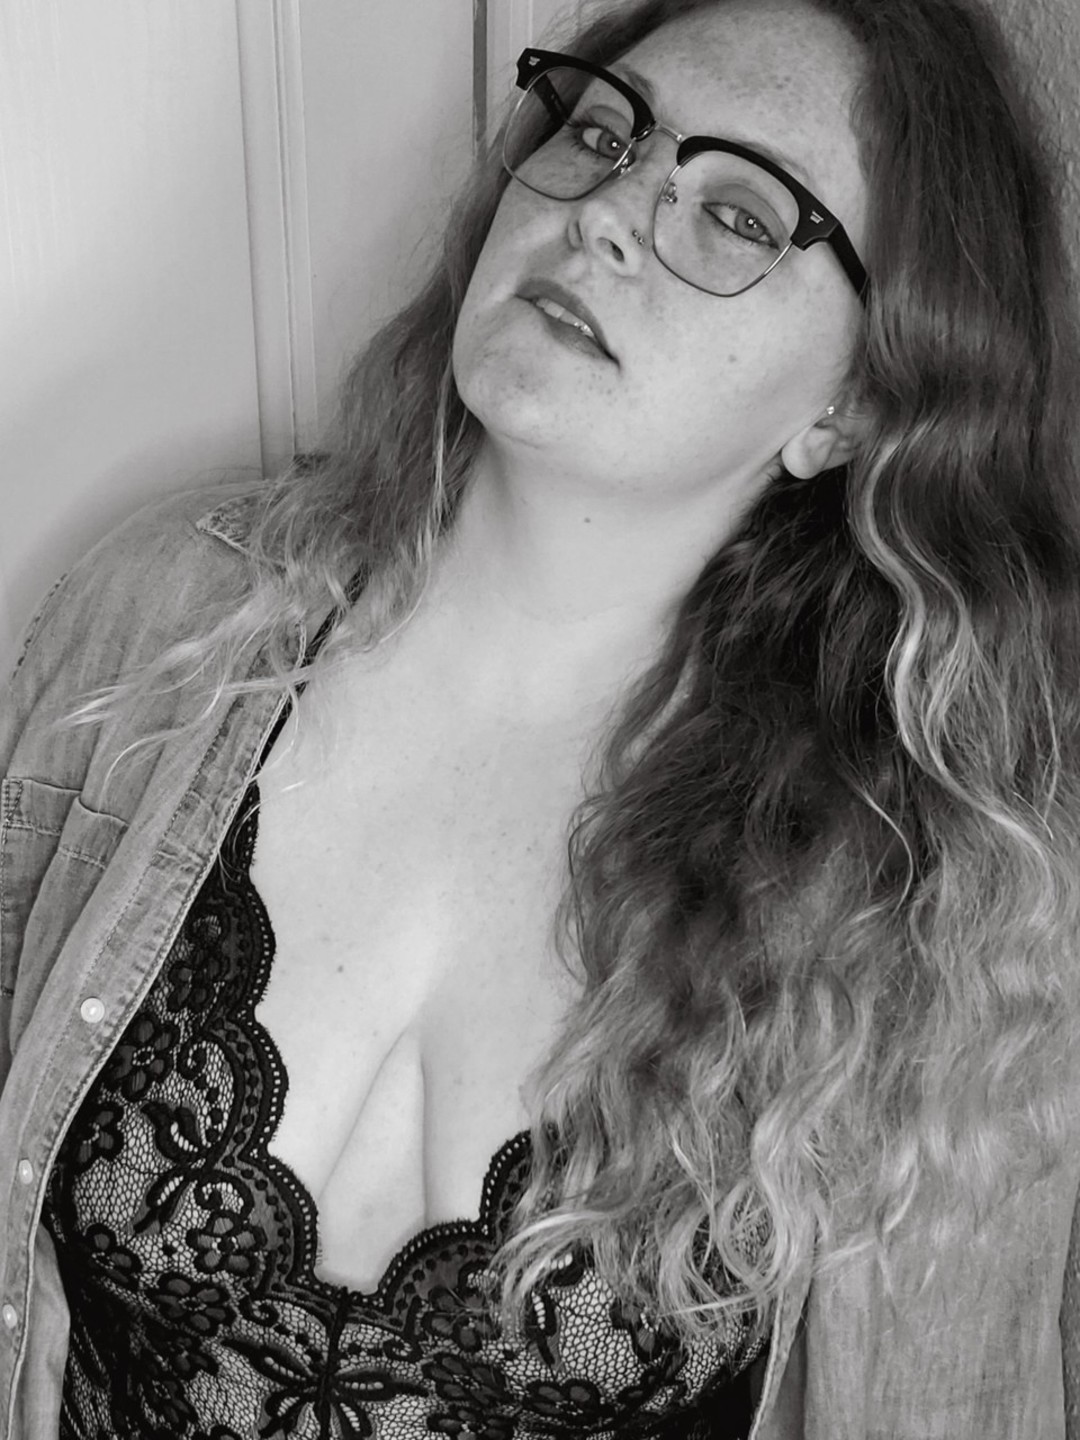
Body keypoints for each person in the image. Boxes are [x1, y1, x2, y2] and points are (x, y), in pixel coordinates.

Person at [3, 0, 1080, 1433]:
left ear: (857, 409)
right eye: (602, 132)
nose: (609, 215)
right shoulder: (163, 620)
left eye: (740, 215)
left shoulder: (943, 899)